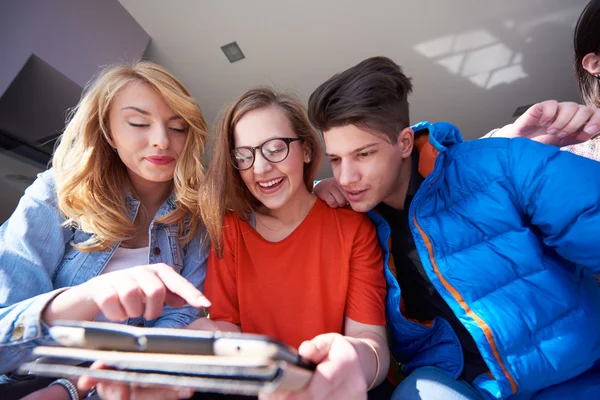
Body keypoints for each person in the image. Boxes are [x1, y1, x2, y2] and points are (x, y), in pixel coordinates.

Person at [308, 56, 600, 399]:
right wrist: (311, 191)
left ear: (403, 143)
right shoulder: (355, 220)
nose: (346, 177)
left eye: (364, 155)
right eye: (337, 159)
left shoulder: (500, 164)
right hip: (457, 382)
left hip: (571, 374)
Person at [80, 87, 390, 400]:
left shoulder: (353, 229)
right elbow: (226, 327)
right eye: (244, 155)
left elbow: (369, 339)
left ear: (307, 150)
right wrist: (187, 347)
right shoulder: (229, 230)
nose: (260, 168)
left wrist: (352, 363)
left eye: (275, 148)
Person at [0, 62, 211, 398]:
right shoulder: (56, 195)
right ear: (109, 132)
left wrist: (76, 389)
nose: (161, 141)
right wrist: (89, 295)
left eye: (178, 127)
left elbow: (178, 320)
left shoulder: (196, 217)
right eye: (139, 123)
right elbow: (4, 341)